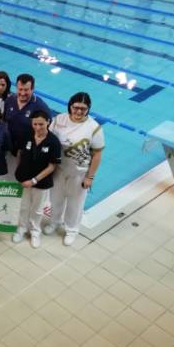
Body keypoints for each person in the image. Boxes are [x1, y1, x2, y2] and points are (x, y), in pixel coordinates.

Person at [44, 92, 104, 246]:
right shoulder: (59, 120)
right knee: (55, 199)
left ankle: (71, 230)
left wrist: (90, 177)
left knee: (75, 204)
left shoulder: (94, 128)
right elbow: (48, 139)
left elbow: (97, 154)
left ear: (88, 109)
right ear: (70, 106)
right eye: (76, 107)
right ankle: (55, 222)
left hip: (79, 173)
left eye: (83, 109)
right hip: (58, 170)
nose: (79, 111)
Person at [12, 110, 61, 248]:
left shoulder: (53, 142)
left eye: (41, 124)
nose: (38, 127)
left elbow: (52, 166)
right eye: (35, 124)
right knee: (24, 206)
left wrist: (34, 180)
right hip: (24, 178)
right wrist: (19, 170)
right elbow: (20, 153)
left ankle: (35, 231)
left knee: (37, 209)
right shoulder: (27, 134)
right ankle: (21, 228)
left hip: (41, 182)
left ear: (48, 122)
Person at [3, 73, 50, 177]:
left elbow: (47, 131)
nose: (22, 93)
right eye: (20, 89)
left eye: (26, 90)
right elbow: (4, 121)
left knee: (22, 178)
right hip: (10, 149)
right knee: (8, 176)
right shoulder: (10, 100)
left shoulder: (40, 106)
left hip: (28, 153)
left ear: (32, 89)